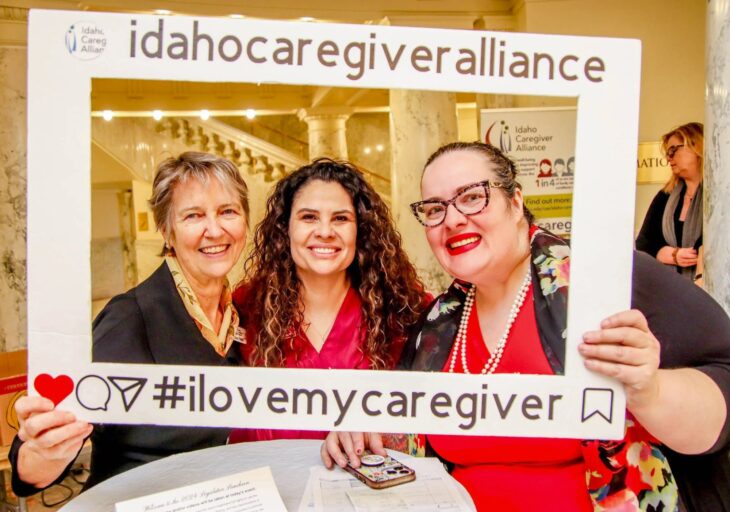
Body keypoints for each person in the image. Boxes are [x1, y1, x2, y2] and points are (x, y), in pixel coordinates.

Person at [322, 142, 730, 511]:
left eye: (472, 197)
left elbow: (722, 385)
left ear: (516, 201)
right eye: (434, 209)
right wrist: (367, 425)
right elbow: (411, 429)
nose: (452, 219)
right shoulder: (436, 323)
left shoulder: (602, 281)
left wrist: (650, 390)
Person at [10, 152, 250, 494]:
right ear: (166, 231)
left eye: (228, 211)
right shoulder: (130, 317)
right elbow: (39, 462)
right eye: (193, 216)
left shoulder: (241, 313)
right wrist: (41, 453)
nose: (215, 230)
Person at [229, 158, 427, 445]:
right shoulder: (245, 307)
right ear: (285, 229)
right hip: (270, 482)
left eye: (341, 218)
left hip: (367, 486)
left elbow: (426, 417)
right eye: (309, 217)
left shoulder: (402, 309)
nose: (324, 231)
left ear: (361, 230)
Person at [636, 122, 703, 282]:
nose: (668, 158)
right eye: (667, 152)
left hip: (708, 288)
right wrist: (668, 254)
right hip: (668, 287)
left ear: (697, 148)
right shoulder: (665, 196)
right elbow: (643, 243)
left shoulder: (718, 198)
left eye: (674, 150)